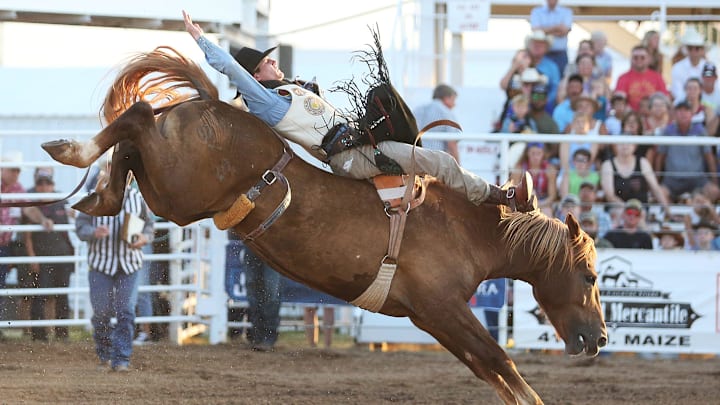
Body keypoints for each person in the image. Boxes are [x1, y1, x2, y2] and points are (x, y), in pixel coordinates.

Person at [182, 10, 535, 214]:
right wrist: (200, 39)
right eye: (267, 62)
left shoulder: (289, 90)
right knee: (437, 162)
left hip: (354, 147)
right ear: (256, 75)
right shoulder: (264, 100)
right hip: (349, 155)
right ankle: (500, 198)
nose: (274, 62)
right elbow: (231, 69)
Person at [75, 167, 154, 372]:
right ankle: (105, 354)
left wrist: (144, 238)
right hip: (101, 264)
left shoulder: (138, 198)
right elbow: (81, 228)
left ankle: (121, 359)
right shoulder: (93, 198)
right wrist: (93, 232)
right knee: (101, 312)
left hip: (129, 263)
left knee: (126, 310)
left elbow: (149, 226)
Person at [21, 168, 75, 342]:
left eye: (48, 183)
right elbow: (27, 236)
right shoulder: (31, 201)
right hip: (42, 257)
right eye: (41, 183)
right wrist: (32, 257)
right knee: (40, 295)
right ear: (36, 185)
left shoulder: (61, 201)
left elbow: (73, 216)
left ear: (52, 185)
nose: (44, 187)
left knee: (62, 295)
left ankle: (62, 333)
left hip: (63, 256)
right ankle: (39, 335)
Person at [655, 101, 719, 202]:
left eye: (686, 110)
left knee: (715, 191)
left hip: (697, 179)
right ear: (675, 114)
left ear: (692, 114)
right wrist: (657, 181)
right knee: (659, 193)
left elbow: (709, 156)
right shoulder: (668, 131)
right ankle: (671, 216)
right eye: (680, 111)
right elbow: (660, 157)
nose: (683, 113)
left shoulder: (700, 131)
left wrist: (714, 181)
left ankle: (696, 213)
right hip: (672, 180)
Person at [226, 232, 281, 351]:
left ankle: (267, 336)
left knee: (269, 290)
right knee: (254, 289)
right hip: (253, 243)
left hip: (270, 245)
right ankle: (258, 335)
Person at [600, 140, 670, 214]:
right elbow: (609, 195)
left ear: (634, 146)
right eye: (621, 143)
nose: (625, 146)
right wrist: (629, 210)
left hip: (640, 210)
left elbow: (655, 188)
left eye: (628, 143)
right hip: (618, 209)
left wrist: (668, 211)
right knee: (622, 213)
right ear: (616, 146)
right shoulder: (607, 164)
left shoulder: (643, 162)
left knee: (637, 215)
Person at [614, 45, 669, 113]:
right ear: (631, 59)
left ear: (648, 59)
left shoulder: (657, 77)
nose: (639, 60)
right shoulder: (623, 78)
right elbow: (619, 102)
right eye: (635, 58)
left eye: (642, 58)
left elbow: (665, 99)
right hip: (631, 117)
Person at [413, 84, 460, 161]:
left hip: (416, 156)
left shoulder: (418, 109)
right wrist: (458, 166)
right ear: (446, 98)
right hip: (436, 159)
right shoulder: (447, 113)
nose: (454, 104)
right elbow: (452, 143)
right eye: (453, 100)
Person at [529, 0, 573, 76]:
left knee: (561, 80)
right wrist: (556, 27)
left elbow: (564, 31)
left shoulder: (567, 12)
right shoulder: (536, 11)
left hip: (560, 54)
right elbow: (536, 31)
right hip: (541, 56)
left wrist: (544, 31)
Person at [512, 142, 557, 216]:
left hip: (543, 202)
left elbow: (552, 196)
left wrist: (538, 204)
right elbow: (514, 190)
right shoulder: (519, 168)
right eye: (533, 153)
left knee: (547, 212)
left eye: (539, 153)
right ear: (527, 153)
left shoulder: (549, 169)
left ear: (543, 154)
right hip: (523, 201)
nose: (535, 157)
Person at [525, 30, 560, 113]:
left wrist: (545, 100)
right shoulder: (522, 62)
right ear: (529, 46)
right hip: (522, 105)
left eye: (541, 44)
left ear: (546, 48)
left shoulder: (552, 66)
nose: (537, 46)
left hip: (544, 106)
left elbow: (556, 88)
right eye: (534, 43)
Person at [670, 28, 708, 102]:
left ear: (702, 50)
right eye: (690, 48)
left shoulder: (708, 67)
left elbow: (712, 89)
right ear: (686, 50)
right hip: (683, 106)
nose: (693, 51)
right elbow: (677, 92)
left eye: (697, 48)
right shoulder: (677, 67)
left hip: (705, 105)